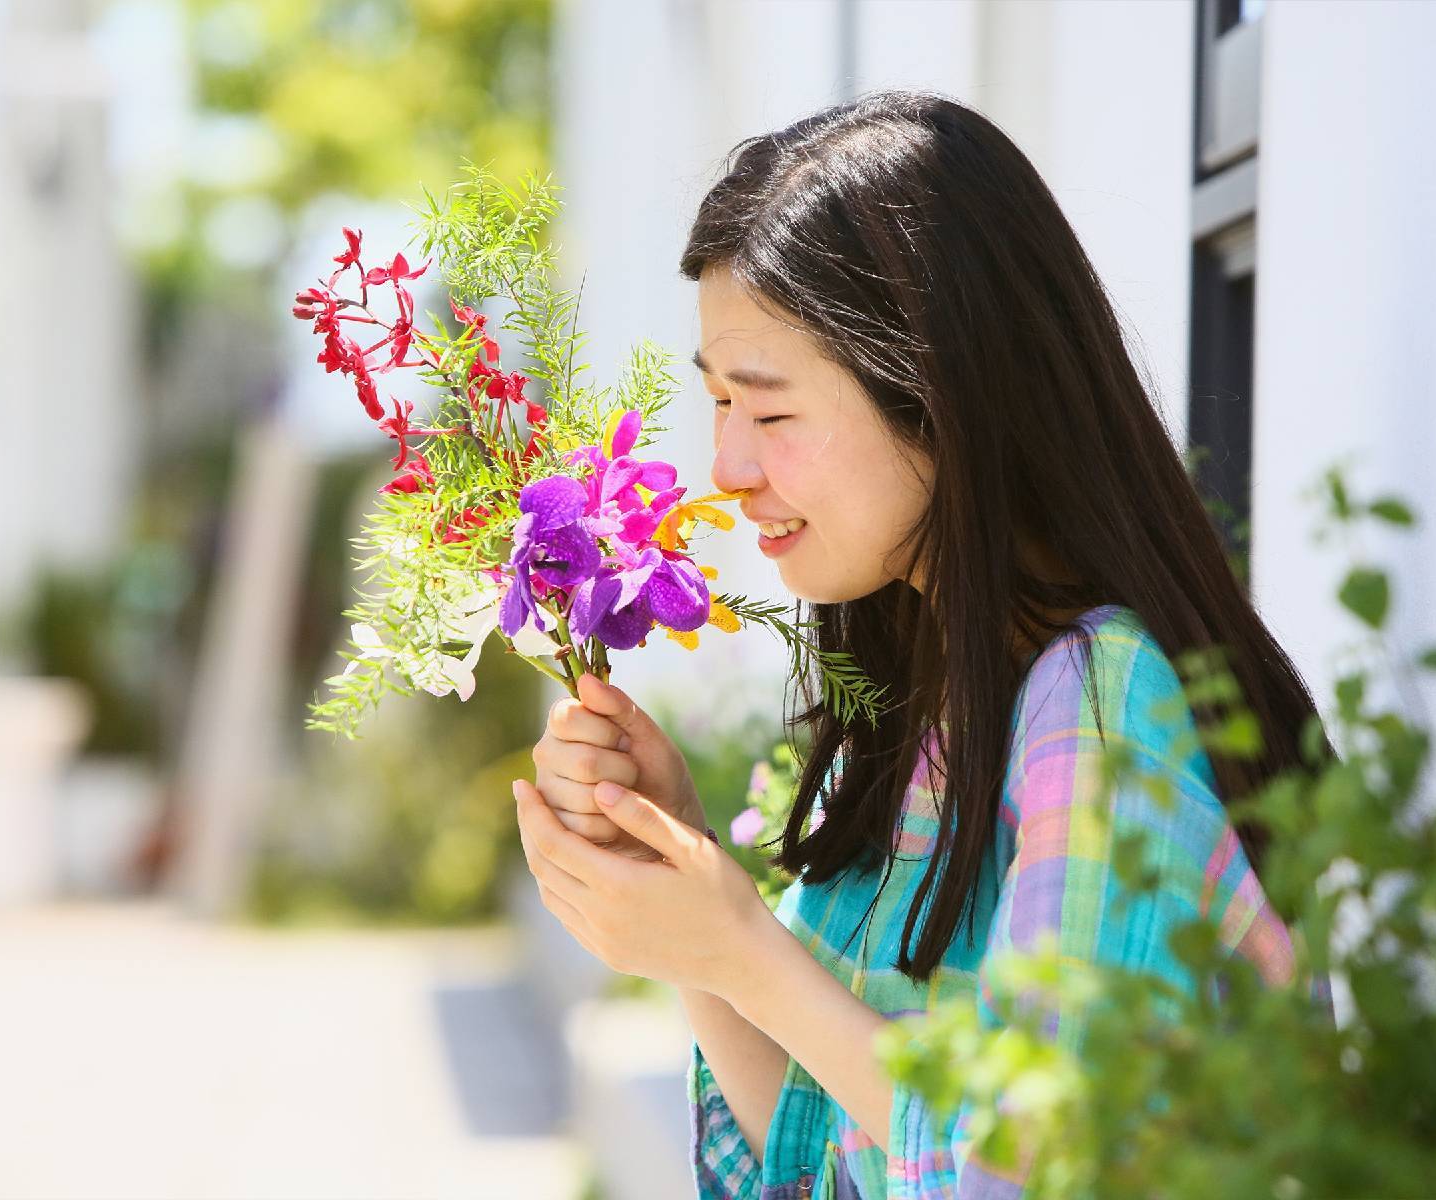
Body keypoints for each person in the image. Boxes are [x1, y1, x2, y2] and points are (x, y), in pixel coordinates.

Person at [511, 89, 1334, 1199]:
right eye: (718, 404)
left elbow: (1043, 1168)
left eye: (771, 411)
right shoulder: (920, 702)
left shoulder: (1107, 699)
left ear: (939, 390)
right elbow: (813, 1166)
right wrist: (684, 904)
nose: (729, 469)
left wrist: (745, 949)